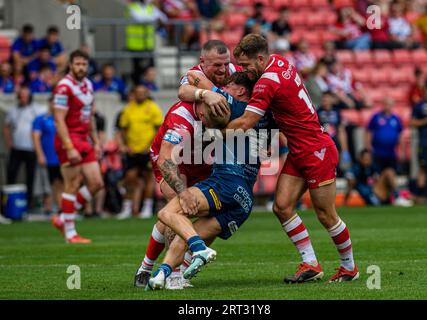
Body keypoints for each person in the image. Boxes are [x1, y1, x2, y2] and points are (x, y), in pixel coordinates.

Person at [222, 34, 359, 283]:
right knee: (282, 206)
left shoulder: (266, 82)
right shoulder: (281, 62)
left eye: (246, 65)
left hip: (317, 150)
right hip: (299, 149)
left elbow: (247, 122)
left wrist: (213, 133)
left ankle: (349, 267)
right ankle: (311, 264)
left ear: (260, 58)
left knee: (326, 215)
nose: (244, 70)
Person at [146, 71, 273, 289]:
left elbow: (193, 76)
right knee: (186, 232)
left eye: (228, 86)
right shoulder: (265, 117)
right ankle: (163, 276)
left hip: (226, 182)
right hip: (244, 201)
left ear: (241, 91)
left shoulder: (233, 106)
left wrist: (205, 93)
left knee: (167, 213)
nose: (223, 89)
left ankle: (200, 249)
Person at [134, 39, 236, 290]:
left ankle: (147, 268)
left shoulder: (233, 76)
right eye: (217, 65)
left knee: (207, 214)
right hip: (172, 160)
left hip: (202, 159)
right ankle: (174, 274)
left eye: (226, 64)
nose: (223, 70)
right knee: (179, 208)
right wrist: (182, 192)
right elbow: (166, 159)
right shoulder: (184, 114)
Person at [51, 49, 104, 243]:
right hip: (68, 139)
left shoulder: (88, 85)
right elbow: (58, 119)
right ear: (70, 65)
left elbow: (89, 116)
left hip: (84, 139)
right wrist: (69, 146)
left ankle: (63, 218)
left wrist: (96, 142)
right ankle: (70, 233)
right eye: (77, 64)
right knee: (72, 184)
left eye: (84, 64)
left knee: (97, 183)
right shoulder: (64, 87)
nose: (81, 67)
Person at [116, 85, 163, 219]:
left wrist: (152, 146)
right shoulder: (128, 109)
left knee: (149, 178)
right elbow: (123, 129)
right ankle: (127, 207)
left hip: (147, 150)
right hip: (132, 150)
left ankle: (147, 208)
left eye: (143, 92)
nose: (141, 95)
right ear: (134, 94)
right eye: (138, 92)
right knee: (130, 178)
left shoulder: (152, 107)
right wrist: (124, 145)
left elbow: (159, 129)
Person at [366, 97, 412, 206]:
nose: (388, 106)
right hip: (377, 152)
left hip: (391, 153)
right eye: (386, 104)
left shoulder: (396, 119)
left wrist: (401, 150)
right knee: (378, 175)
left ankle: (392, 196)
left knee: (391, 174)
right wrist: (368, 147)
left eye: (390, 104)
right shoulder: (376, 117)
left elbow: (400, 135)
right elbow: (369, 133)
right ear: (383, 105)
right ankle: (383, 196)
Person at [3, 86, 44, 207]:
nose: (24, 98)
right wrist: (9, 142)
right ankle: (8, 201)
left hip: (31, 148)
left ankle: (29, 202)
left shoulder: (36, 109)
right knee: (11, 173)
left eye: (26, 96)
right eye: (21, 96)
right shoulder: (13, 110)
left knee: (30, 176)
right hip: (17, 148)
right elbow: (6, 127)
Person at [32, 97, 63, 215]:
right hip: (48, 157)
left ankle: (61, 207)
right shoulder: (41, 119)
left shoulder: (62, 118)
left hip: (61, 157)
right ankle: (49, 207)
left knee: (61, 183)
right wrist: (40, 154)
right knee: (48, 183)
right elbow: (35, 137)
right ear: (49, 103)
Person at [125, 0, 168, 85]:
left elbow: (164, 18)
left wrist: (152, 16)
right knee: (137, 68)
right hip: (135, 45)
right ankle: (136, 85)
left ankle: (148, 86)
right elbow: (140, 19)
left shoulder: (150, 7)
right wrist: (154, 17)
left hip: (148, 44)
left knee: (150, 68)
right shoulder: (131, 7)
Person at [317, 91, 351, 171]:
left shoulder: (336, 111)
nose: (325, 101)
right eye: (324, 99)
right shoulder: (318, 111)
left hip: (335, 141)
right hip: (323, 141)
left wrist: (344, 149)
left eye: (327, 99)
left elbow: (340, 128)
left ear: (332, 100)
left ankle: (342, 166)